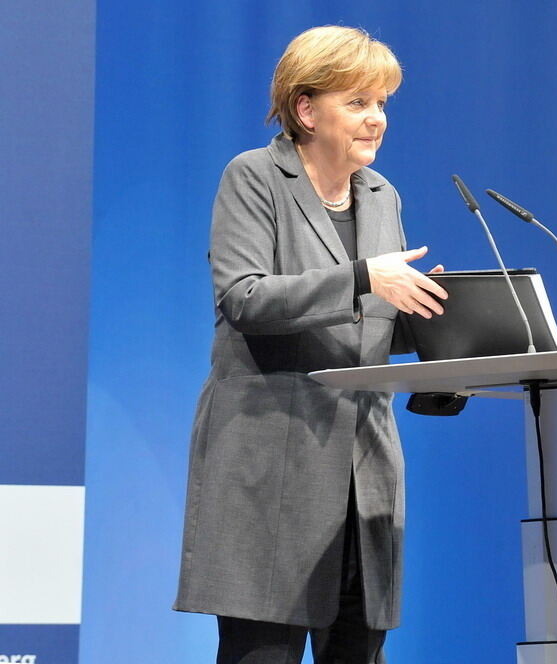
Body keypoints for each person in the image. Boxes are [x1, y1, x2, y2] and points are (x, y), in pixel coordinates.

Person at [173, 25, 448, 664]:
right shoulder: (254, 177)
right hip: (271, 462)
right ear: (305, 109)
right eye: (357, 103)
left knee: (357, 649)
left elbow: (369, 322)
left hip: (363, 471)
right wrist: (363, 277)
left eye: (382, 103)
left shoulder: (382, 197)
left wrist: (439, 318)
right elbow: (242, 299)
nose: (376, 119)